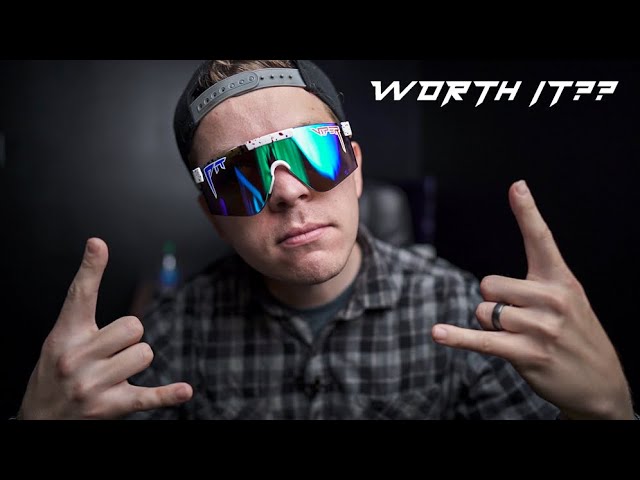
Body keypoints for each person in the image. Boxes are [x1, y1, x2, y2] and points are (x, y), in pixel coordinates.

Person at [16, 60, 636, 420]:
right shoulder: (172, 338)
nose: (288, 192)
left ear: (356, 167)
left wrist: (605, 412)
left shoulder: (460, 313)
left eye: (314, 152)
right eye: (239, 176)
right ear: (213, 215)